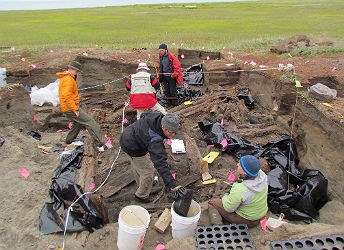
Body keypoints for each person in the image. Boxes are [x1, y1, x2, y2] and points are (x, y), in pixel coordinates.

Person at [120, 111, 186, 202]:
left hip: (129, 134)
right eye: (170, 132)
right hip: (132, 146)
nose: (173, 135)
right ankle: (141, 195)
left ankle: (141, 183)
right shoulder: (154, 140)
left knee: (138, 165)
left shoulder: (157, 116)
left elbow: (144, 114)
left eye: (174, 132)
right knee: (148, 171)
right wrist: (172, 184)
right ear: (163, 127)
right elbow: (160, 164)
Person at [57, 60, 110, 152]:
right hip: (70, 108)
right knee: (90, 121)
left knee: (77, 123)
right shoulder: (68, 79)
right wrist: (75, 109)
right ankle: (101, 143)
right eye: (76, 71)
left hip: (67, 107)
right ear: (72, 69)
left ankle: (69, 140)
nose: (77, 73)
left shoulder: (66, 78)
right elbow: (66, 96)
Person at [208, 155, 268, 228]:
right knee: (237, 176)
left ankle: (217, 226)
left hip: (248, 220)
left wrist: (224, 196)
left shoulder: (240, 189)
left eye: (240, 165)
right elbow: (240, 173)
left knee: (212, 203)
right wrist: (231, 179)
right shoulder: (263, 177)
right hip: (260, 214)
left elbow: (229, 208)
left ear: (245, 173)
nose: (237, 164)